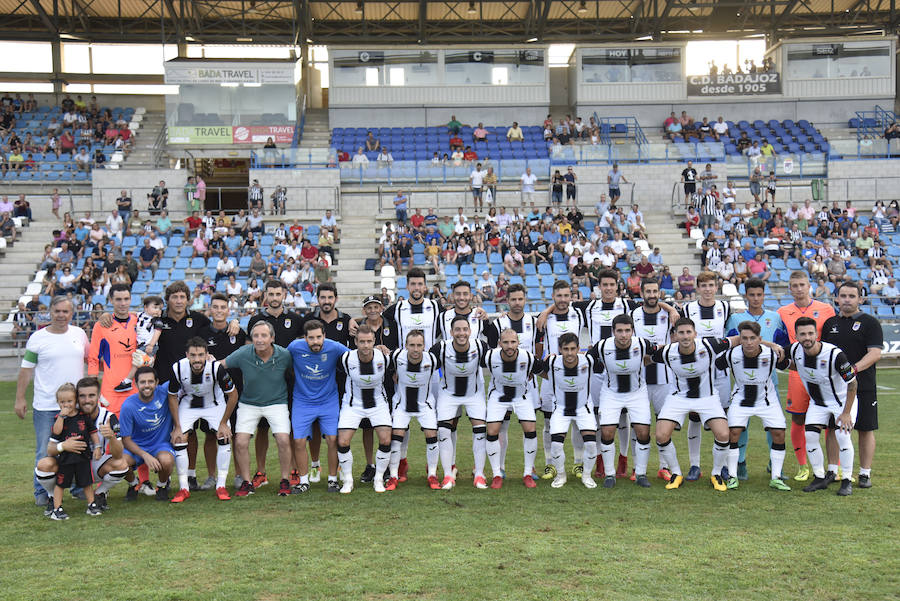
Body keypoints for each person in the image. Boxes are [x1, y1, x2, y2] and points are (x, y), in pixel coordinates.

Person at [648, 318, 744, 491]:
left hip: (706, 397)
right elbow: (646, 356)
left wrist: (770, 345)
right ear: (675, 335)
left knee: (723, 435)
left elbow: (739, 338)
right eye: (681, 333)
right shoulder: (668, 351)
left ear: (695, 333)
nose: (685, 336)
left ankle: (715, 474)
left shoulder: (709, 346)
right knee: (661, 436)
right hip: (678, 398)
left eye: (688, 332)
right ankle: (676, 473)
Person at [15, 295, 90, 506]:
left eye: (66, 312)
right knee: (44, 449)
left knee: (78, 447)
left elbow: (90, 360)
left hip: (76, 406)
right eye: (57, 311)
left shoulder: (80, 334)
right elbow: (25, 370)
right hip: (47, 406)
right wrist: (20, 398)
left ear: (71, 313)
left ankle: (77, 487)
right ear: (50, 312)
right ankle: (41, 491)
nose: (61, 315)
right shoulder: (37, 338)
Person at [723, 278, 789, 479]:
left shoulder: (774, 318)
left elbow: (783, 348)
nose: (756, 298)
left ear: (764, 295)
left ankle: (774, 463)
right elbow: (731, 345)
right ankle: (740, 462)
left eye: (759, 294)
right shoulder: (736, 319)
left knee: (774, 426)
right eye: (752, 295)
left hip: (769, 382)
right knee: (739, 426)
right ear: (746, 296)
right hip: (743, 382)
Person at [715, 321, 792, 491]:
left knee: (779, 433)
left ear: (760, 339)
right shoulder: (731, 355)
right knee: (733, 433)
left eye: (753, 338)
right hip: (741, 399)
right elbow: (713, 365)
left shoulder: (772, 355)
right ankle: (733, 476)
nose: (749, 342)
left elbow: (790, 365)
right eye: (745, 338)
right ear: (739, 339)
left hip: (766, 400)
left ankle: (776, 477)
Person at [36, 377, 128, 516]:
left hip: (94, 467)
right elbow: (50, 450)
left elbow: (118, 454)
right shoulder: (65, 415)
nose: (86, 400)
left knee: (121, 465)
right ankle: (52, 497)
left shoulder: (109, 417)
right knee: (43, 464)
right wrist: (63, 446)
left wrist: (112, 437)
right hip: (66, 464)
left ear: (98, 396)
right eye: (82, 396)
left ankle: (100, 494)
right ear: (76, 397)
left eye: (91, 395)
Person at [820, 282, 882, 489]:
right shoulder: (829, 324)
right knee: (833, 429)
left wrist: (852, 370)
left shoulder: (870, 323)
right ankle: (832, 470)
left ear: (860, 299)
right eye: (843, 296)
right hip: (834, 389)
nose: (847, 299)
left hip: (863, 385)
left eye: (852, 296)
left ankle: (864, 473)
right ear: (836, 299)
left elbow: (874, 353)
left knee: (865, 429)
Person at [223, 321, 294, 497]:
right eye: (256, 336)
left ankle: (285, 480)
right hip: (249, 403)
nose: (260, 339)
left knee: (284, 439)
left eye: (264, 336)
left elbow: (297, 370)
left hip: (277, 402)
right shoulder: (243, 353)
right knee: (240, 442)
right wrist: (205, 362)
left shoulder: (284, 355)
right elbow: (220, 365)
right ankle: (247, 483)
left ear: (272, 338)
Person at [788, 317, 858, 496]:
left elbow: (852, 383)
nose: (807, 337)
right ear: (796, 336)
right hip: (818, 403)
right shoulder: (795, 350)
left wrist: (846, 413)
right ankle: (820, 477)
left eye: (810, 333)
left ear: (817, 334)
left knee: (842, 437)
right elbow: (779, 354)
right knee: (810, 435)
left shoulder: (835, 354)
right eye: (802, 334)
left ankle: (846, 480)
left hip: (842, 402)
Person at [777, 270, 835, 482]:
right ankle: (803, 466)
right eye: (795, 285)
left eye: (802, 284)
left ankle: (832, 467)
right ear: (790, 288)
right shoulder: (782, 312)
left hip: (823, 373)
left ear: (809, 285)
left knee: (830, 420)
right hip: (798, 373)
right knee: (798, 418)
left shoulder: (826, 309)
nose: (799, 288)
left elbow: (832, 339)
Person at [167, 337, 238, 503]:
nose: (197, 359)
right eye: (193, 355)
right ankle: (184, 488)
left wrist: (223, 423)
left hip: (213, 404)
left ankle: (221, 485)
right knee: (179, 439)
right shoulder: (178, 368)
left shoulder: (216, 368)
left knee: (224, 436)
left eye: (200, 355)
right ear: (187, 355)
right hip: (189, 404)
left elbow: (233, 394)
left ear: (207, 354)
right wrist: (177, 426)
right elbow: (171, 397)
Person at [286, 320, 351, 493]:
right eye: (311, 338)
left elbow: (355, 356)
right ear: (305, 338)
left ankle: (332, 480)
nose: (315, 341)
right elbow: (280, 358)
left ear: (324, 336)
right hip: (302, 401)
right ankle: (304, 481)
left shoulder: (334, 347)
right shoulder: (294, 347)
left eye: (319, 337)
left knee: (332, 440)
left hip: (328, 401)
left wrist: (378, 351)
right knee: (298, 441)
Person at [591, 315, 655, 489]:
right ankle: (610, 475)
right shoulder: (603, 346)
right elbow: (585, 358)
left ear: (633, 331)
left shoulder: (642, 344)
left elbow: (659, 353)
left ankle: (640, 473)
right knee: (607, 432)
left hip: (637, 393)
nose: (624, 335)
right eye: (619, 331)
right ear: (613, 332)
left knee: (642, 432)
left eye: (627, 330)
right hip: (611, 393)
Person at [682, 271, 732, 480]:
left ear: (716, 287)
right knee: (694, 416)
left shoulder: (725, 308)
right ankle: (695, 465)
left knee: (723, 416)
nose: (708, 289)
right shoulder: (687, 308)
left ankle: (724, 465)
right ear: (698, 288)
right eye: (704, 286)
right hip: (697, 369)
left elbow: (731, 335)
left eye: (711, 285)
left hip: (720, 368)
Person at [430, 316, 490, 489]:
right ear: (451, 332)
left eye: (465, 329)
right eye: (458, 330)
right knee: (443, 430)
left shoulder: (479, 346)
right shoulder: (441, 347)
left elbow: (497, 361)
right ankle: (448, 475)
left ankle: (479, 474)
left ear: (470, 332)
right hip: (449, 394)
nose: (461, 333)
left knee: (480, 430)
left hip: (474, 394)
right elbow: (423, 363)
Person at [482, 329, 544, 489]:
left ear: (518, 343)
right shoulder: (490, 356)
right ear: (499, 343)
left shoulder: (528, 357)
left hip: (521, 396)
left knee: (530, 429)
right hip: (498, 396)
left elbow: (543, 372)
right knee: (492, 431)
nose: (510, 346)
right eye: (506, 342)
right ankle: (497, 474)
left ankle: (527, 473)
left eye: (513, 342)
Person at [334, 325, 392, 494]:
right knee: (343, 441)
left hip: (378, 403)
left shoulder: (384, 357)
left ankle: (379, 479)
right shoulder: (346, 358)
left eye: (369, 341)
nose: (365, 345)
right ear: (355, 342)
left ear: (374, 341)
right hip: (353, 404)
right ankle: (348, 480)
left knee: (386, 439)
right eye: (362, 342)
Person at [539, 332, 598, 489]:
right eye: (566, 349)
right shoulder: (551, 362)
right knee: (556, 445)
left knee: (592, 444)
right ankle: (561, 475)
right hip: (561, 409)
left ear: (579, 348)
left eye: (573, 348)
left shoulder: (589, 361)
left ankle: (586, 475)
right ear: (560, 349)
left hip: (583, 408)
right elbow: (537, 370)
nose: (570, 353)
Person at [386, 331, 441, 489]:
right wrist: (392, 373)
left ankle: (432, 474)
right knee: (396, 437)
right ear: (405, 346)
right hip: (402, 405)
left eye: (419, 345)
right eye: (412, 345)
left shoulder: (432, 359)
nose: (415, 349)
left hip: (424, 405)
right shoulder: (397, 356)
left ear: (424, 346)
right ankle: (394, 476)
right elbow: (382, 360)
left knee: (431, 435)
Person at [45, 383, 102, 520]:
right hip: (66, 459)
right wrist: (61, 417)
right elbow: (56, 432)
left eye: (69, 401)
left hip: (83, 457)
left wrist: (98, 446)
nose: (66, 405)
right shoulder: (59, 418)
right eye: (62, 402)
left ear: (75, 401)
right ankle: (57, 508)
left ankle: (91, 504)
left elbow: (93, 432)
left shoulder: (83, 416)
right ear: (58, 403)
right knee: (61, 483)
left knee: (86, 482)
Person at [118, 367, 176, 501]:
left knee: (167, 461)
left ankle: (161, 487)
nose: (147, 385)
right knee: (119, 464)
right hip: (137, 446)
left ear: (157, 383)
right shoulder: (128, 406)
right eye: (142, 382)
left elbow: (183, 375)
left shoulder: (164, 392)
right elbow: (125, 440)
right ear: (136, 384)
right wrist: (145, 456)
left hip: (160, 444)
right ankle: (134, 484)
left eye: (150, 381)